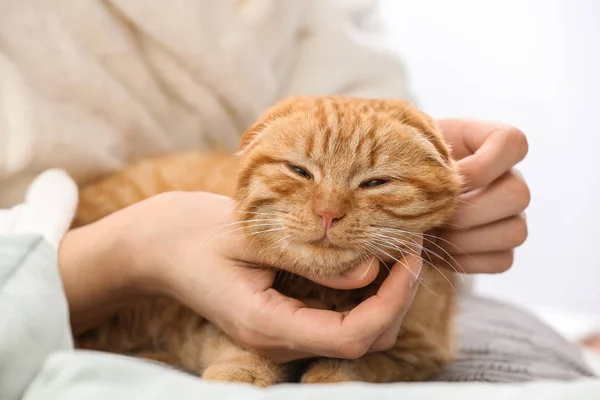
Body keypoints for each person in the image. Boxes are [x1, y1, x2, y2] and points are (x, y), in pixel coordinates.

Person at [0, 0, 531, 392]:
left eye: (372, 184)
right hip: (41, 258)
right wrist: (134, 250)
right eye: (301, 173)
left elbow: (362, 92)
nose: (329, 210)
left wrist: (456, 190)